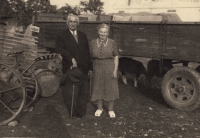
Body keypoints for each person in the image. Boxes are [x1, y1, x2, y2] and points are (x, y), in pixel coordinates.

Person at [55, 13, 92, 119]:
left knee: (83, 92)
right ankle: (72, 112)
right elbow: (59, 49)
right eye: (70, 21)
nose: (72, 23)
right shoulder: (62, 35)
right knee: (71, 92)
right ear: (67, 23)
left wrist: (90, 68)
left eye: (75, 21)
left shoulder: (83, 35)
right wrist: (70, 58)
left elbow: (87, 52)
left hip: (83, 68)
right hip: (70, 67)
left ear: (78, 23)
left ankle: (81, 113)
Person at [89, 23, 119, 118]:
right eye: (101, 32)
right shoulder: (92, 43)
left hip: (109, 67)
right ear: (98, 32)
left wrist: (115, 70)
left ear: (108, 33)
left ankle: (110, 110)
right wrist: (90, 69)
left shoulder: (112, 42)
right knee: (98, 87)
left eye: (105, 32)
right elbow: (89, 57)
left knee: (111, 88)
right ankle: (99, 108)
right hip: (96, 67)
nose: (103, 34)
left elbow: (116, 57)